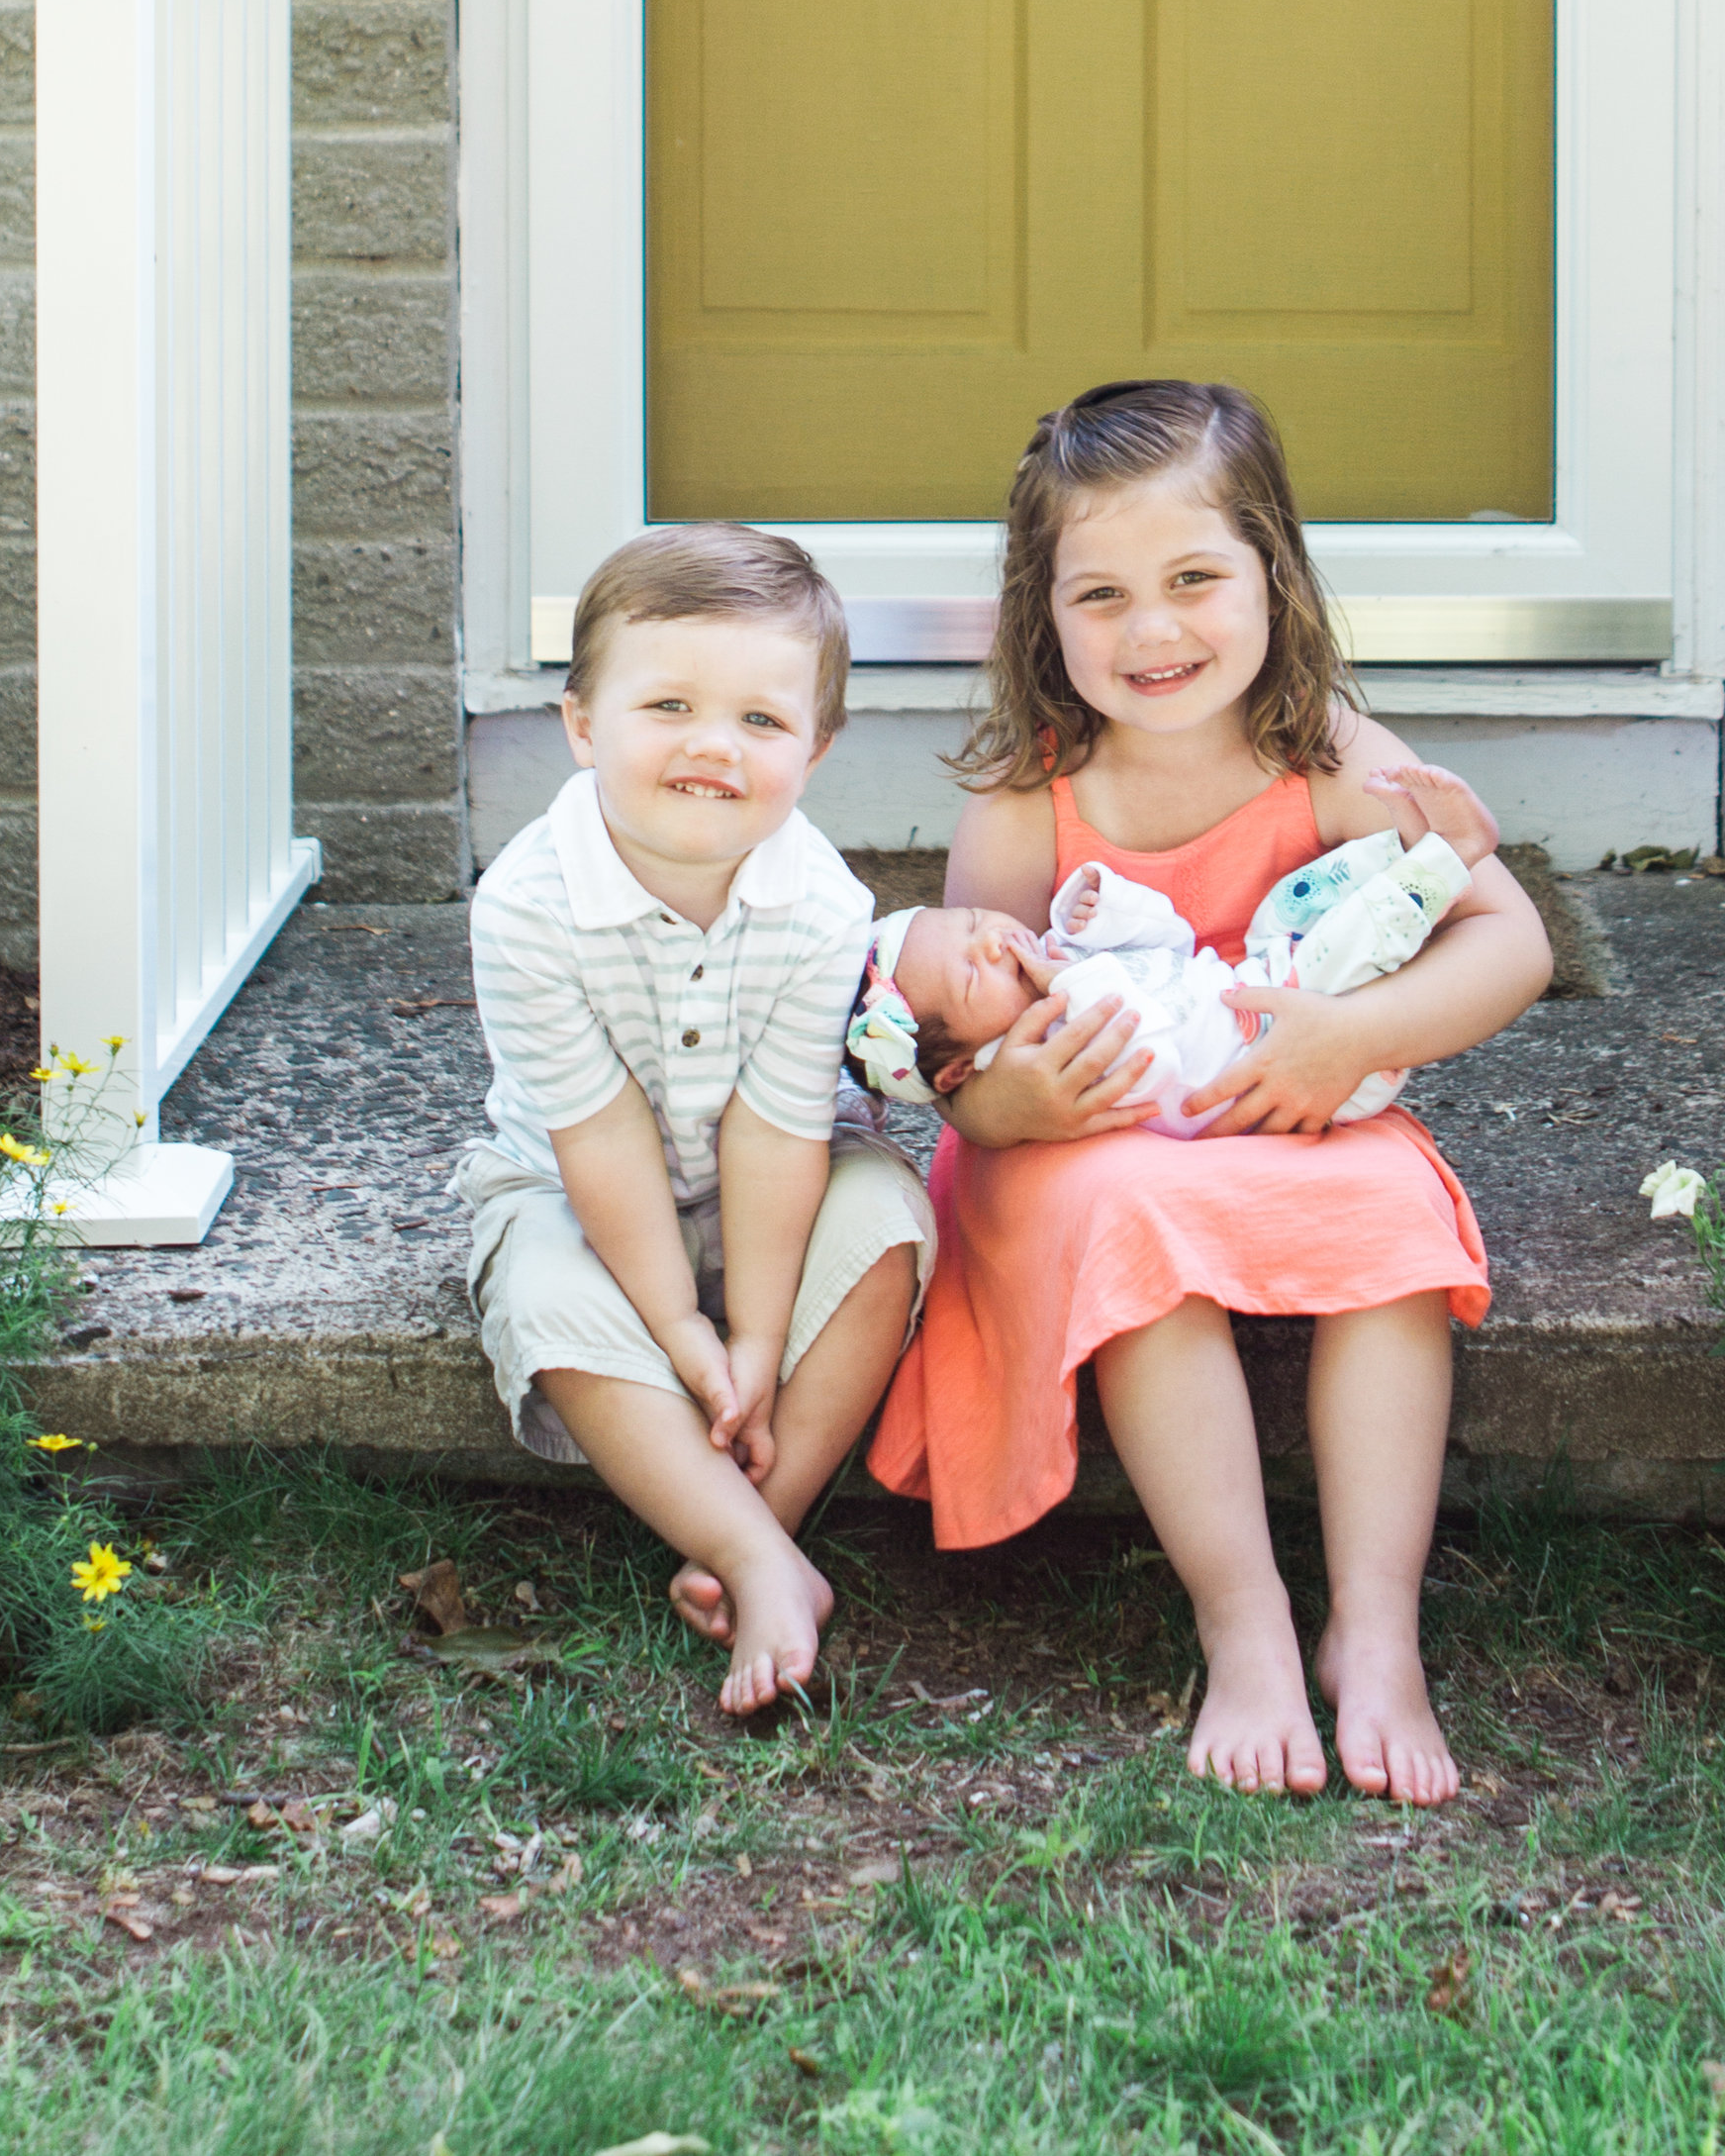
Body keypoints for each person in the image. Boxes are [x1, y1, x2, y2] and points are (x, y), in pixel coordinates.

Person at [868, 381, 1553, 1805]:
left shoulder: (1334, 757)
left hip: (1284, 1104)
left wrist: (1345, 1033)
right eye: (1102, 594)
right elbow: (954, 1062)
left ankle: (1377, 1631)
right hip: (1090, 1144)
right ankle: (1241, 1623)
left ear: (1273, 575)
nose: (1154, 631)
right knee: (1132, 1220)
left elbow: (1514, 941)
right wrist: (1014, 1102)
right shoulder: (1024, 798)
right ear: (1041, 614)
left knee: (1390, 1224)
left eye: (1194, 579)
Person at [459, 525, 935, 1715]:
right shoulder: (526, 903)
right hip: (579, 1189)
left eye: (761, 722)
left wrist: (760, 1346)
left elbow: (780, 1130)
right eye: (668, 703)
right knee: (543, 1294)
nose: (713, 745)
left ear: (815, 748)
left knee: (887, 1219)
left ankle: (754, 1533)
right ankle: (762, 1562)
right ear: (581, 723)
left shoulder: (821, 901)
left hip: (760, 1192)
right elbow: (601, 1133)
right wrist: (679, 1324)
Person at [848, 765, 1497, 1133]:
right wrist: (1071, 982)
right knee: (1339, 945)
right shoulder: (1049, 1054)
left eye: (968, 923)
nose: (992, 941)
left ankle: (1404, 851)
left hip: (1259, 984)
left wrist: (1101, 909)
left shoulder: (1060, 959)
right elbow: (1150, 1055)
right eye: (970, 972)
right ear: (963, 1065)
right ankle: (1449, 859)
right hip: (1290, 1057)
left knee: (1291, 903)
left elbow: (1173, 942)